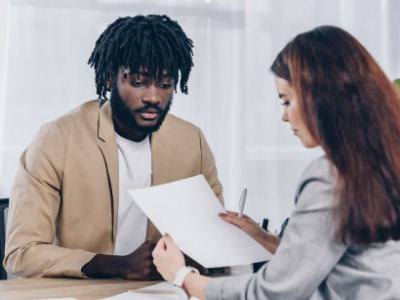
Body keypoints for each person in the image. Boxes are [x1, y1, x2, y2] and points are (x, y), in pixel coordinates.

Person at [152, 25, 400, 299]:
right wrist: (263, 238)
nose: (284, 116)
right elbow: (327, 258)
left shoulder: (331, 176)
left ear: (320, 98)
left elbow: (272, 294)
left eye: (286, 101)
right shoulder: (382, 158)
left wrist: (181, 276)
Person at [4, 14, 223, 280]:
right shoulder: (57, 139)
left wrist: (206, 255)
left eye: (165, 84)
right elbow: (21, 253)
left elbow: (214, 243)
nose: (154, 97)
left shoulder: (191, 142)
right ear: (110, 79)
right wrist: (116, 265)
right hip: (83, 295)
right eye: (138, 82)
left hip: (160, 293)